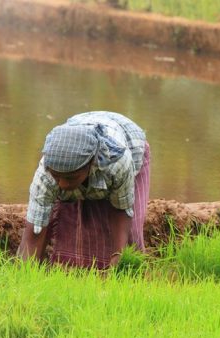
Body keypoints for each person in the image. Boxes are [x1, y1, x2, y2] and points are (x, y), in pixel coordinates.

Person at [18, 111, 151, 269]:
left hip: (130, 144)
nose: (62, 185)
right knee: (68, 221)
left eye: (70, 178)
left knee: (130, 236)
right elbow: (35, 231)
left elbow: (121, 210)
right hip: (81, 148)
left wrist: (119, 255)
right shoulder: (46, 174)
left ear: (91, 165)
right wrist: (24, 274)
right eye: (56, 177)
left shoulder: (117, 162)